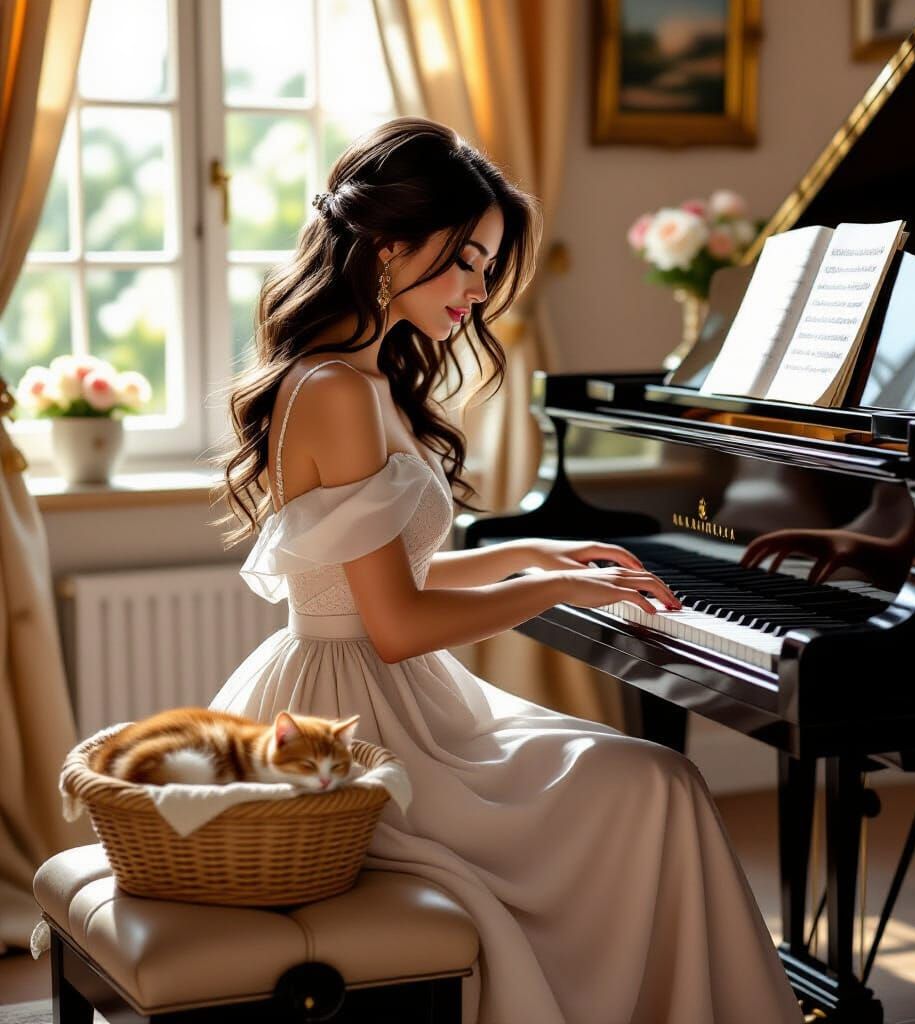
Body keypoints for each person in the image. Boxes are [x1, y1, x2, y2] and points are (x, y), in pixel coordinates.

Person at [208, 116, 803, 1024]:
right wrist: (554, 589)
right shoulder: (335, 391)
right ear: (388, 244)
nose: (478, 292)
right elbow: (394, 622)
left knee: (650, 785)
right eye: (466, 262)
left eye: (487, 268)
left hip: (387, 691)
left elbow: (388, 573)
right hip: (361, 720)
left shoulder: (365, 379)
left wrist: (534, 552)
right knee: (656, 785)